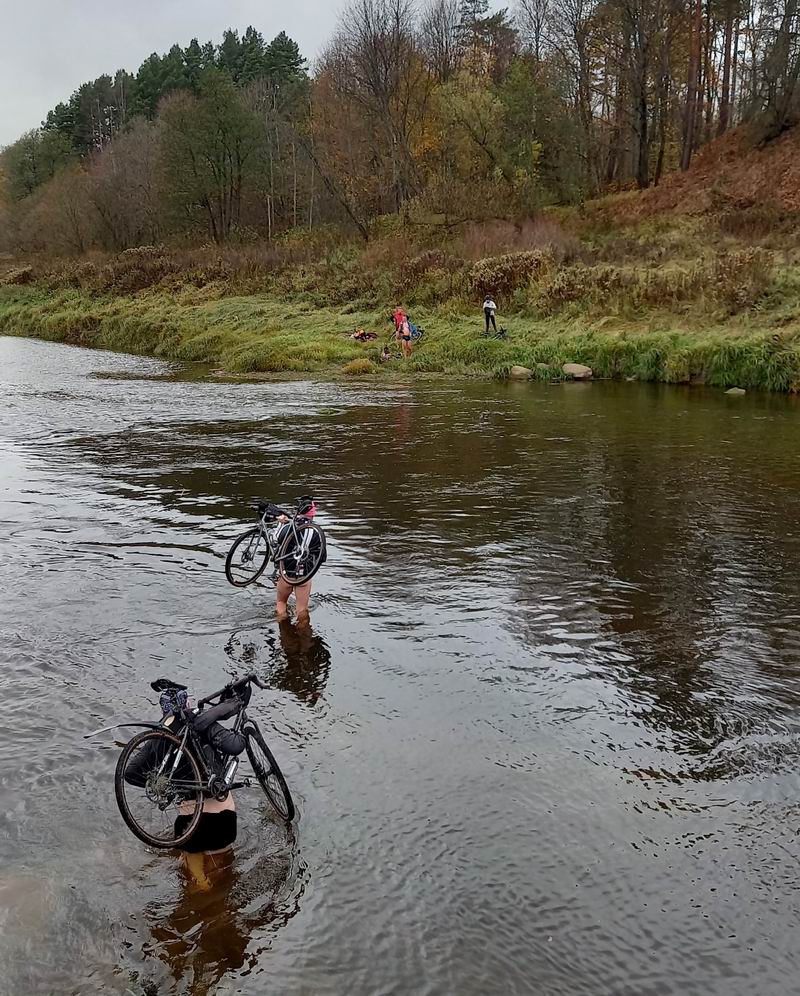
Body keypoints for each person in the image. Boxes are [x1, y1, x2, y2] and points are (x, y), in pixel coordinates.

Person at [274, 496, 324, 620]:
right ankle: (304, 634)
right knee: (302, 610)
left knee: (281, 603)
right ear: (313, 514)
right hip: (304, 576)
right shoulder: (317, 532)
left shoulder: (289, 527)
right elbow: (321, 557)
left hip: (287, 574)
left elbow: (275, 539)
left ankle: (284, 633)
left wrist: (280, 524)